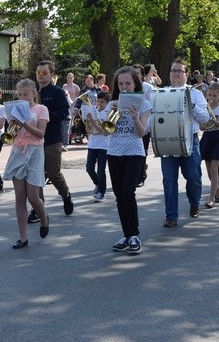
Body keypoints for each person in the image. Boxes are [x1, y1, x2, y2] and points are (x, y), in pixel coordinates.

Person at [99, 67, 151, 255]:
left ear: (135, 83)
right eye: (120, 84)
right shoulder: (112, 103)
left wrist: (135, 116)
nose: (124, 87)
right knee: (119, 195)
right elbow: (106, 132)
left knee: (128, 192)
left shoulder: (144, 104)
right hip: (114, 153)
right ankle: (127, 234)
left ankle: (135, 235)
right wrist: (111, 113)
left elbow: (141, 133)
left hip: (134, 152)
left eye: (128, 83)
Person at [161, 58, 210, 228]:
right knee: (169, 179)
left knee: (193, 176)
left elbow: (205, 118)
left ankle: (194, 202)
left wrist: (192, 104)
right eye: (173, 70)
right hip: (168, 140)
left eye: (179, 71)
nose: (175, 74)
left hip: (191, 140)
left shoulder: (195, 93)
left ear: (186, 75)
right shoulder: (162, 93)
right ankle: (171, 216)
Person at [2, 79, 50, 249]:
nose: (22, 97)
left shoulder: (41, 109)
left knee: (33, 196)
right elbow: (12, 134)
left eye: (25, 94)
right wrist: (12, 124)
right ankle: (23, 237)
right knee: (20, 197)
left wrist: (23, 123)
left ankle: (44, 218)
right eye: (19, 94)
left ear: (34, 94)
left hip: (35, 152)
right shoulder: (15, 109)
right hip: (18, 151)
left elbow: (40, 134)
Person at [30, 61, 74, 223]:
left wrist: (44, 116)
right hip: (34, 139)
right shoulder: (31, 92)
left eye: (44, 73)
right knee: (36, 175)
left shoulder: (57, 92)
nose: (41, 76)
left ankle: (66, 195)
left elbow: (63, 113)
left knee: (54, 173)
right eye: (38, 73)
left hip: (51, 139)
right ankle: (37, 208)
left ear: (51, 75)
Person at [200, 82, 219, 208]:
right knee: (209, 170)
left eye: (215, 95)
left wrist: (213, 120)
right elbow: (201, 127)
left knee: (214, 169)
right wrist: (203, 120)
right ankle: (216, 190)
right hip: (207, 137)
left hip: (218, 138)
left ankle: (211, 198)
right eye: (210, 95)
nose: (212, 97)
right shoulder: (204, 107)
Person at [85, 91, 111, 202]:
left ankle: (101, 192)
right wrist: (88, 122)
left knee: (101, 170)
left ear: (107, 103)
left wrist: (94, 122)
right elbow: (88, 131)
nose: (99, 104)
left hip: (104, 145)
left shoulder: (107, 113)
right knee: (89, 168)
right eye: (98, 101)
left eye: (102, 102)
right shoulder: (93, 110)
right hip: (92, 143)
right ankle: (98, 184)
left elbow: (106, 131)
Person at [61, 72, 80, 148]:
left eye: (71, 78)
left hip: (73, 105)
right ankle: (67, 137)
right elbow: (62, 95)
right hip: (67, 105)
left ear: (73, 78)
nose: (69, 79)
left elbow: (79, 96)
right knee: (67, 122)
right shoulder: (64, 86)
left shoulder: (76, 86)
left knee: (71, 121)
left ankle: (69, 136)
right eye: (68, 78)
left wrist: (75, 103)